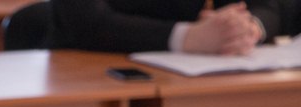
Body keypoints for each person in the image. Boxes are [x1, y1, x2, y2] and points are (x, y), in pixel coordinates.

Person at [48, 0, 293, 53]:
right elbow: (86, 21)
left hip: (187, 78)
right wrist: (187, 37)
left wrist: (246, 28)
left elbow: (269, 6)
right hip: (86, 64)